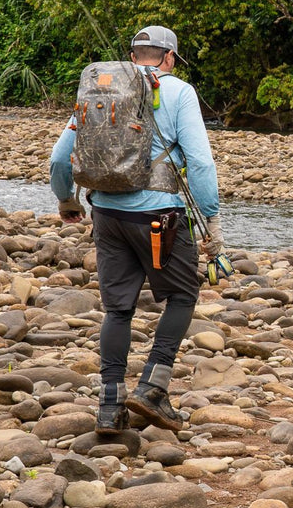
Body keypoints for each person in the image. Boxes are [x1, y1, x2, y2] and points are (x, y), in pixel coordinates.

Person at [50, 25, 224, 435]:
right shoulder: (179, 92)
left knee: (118, 309)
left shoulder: (99, 90)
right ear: (168, 58)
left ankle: (109, 407)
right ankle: (152, 387)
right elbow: (199, 162)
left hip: (107, 215)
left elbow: (61, 158)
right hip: (160, 216)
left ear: (133, 56)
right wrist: (211, 218)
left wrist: (66, 200)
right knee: (182, 294)